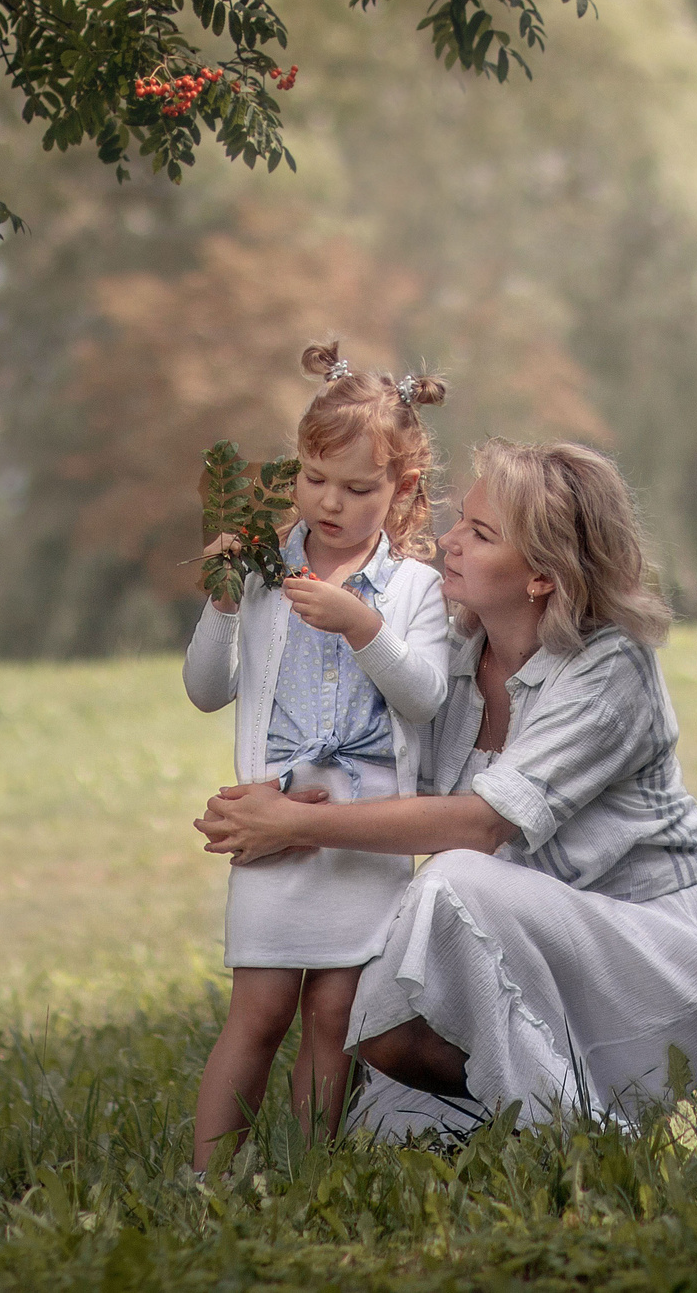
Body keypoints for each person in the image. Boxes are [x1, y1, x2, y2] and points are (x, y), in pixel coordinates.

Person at [197, 440, 697, 1136]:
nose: (448, 542)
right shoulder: (454, 655)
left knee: (452, 878)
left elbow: (482, 823)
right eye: (461, 521)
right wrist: (274, 800)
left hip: (649, 955)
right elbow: (375, 770)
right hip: (525, 944)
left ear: (542, 576)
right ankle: (526, 1108)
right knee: (383, 1110)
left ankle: (585, 1129)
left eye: (481, 534)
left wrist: (297, 824)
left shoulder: (611, 667)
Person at [182, 344, 450, 1170]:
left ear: (400, 490)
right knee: (259, 1011)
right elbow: (204, 688)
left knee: (336, 1015)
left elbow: (426, 696)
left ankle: (308, 1174)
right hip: (276, 822)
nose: (329, 501)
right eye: (313, 477)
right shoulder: (266, 573)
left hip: (363, 837)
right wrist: (223, 605)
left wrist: (361, 625)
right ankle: (206, 1179)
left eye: (358, 488)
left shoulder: (413, 590)